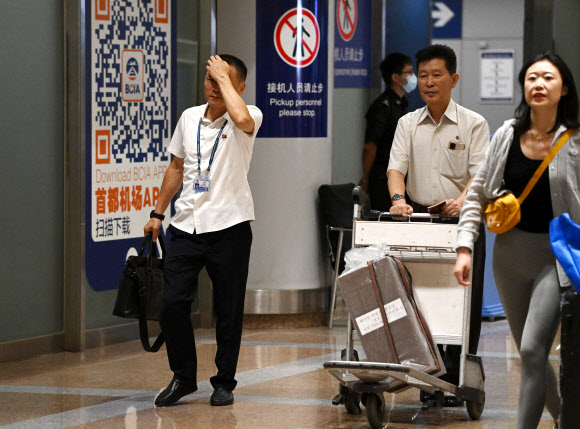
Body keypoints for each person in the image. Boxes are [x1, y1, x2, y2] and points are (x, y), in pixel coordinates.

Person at [454, 51, 580, 429]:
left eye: (547, 78)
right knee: (534, 357)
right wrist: (464, 247)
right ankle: (564, 418)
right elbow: (477, 194)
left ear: (564, 88)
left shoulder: (574, 141)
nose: (538, 85)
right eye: (531, 78)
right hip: (509, 256)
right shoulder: (507, 134)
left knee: (530, 348)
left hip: (555, 257)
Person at [144, 54, 263, 407]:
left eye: (222, 80)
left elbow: (239, 116)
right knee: (171, 304)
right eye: (209, 80)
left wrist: (223, 77)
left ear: (239, 86)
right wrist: (157, 213)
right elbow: (177, 167)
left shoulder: (249, 113)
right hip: (185, 224)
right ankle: (183, 377)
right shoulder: (189, 117)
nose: (213, 87)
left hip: (230, 227)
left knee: (227, 310)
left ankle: (224, 380)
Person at [387, 44, 490, 406]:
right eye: (424, 76)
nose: (429, 83)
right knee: (423, 299)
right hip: (420, 218)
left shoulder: (473, 124)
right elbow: (396, 168)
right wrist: (399, 200)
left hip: (463, 221)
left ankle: (459, 376)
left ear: (454, 79)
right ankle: (432, 378)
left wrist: (461, 201)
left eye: (437, 75)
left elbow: (479, 175)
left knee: (463, 302)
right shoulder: (407, 123)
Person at [359, 53, 416, 211]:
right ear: (396, 77)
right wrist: (367, 177)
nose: (413, 77)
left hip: (402, 173)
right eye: (409, 72)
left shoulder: (402, 104)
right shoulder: (382, 106)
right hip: (382, 176)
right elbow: (370, 146)